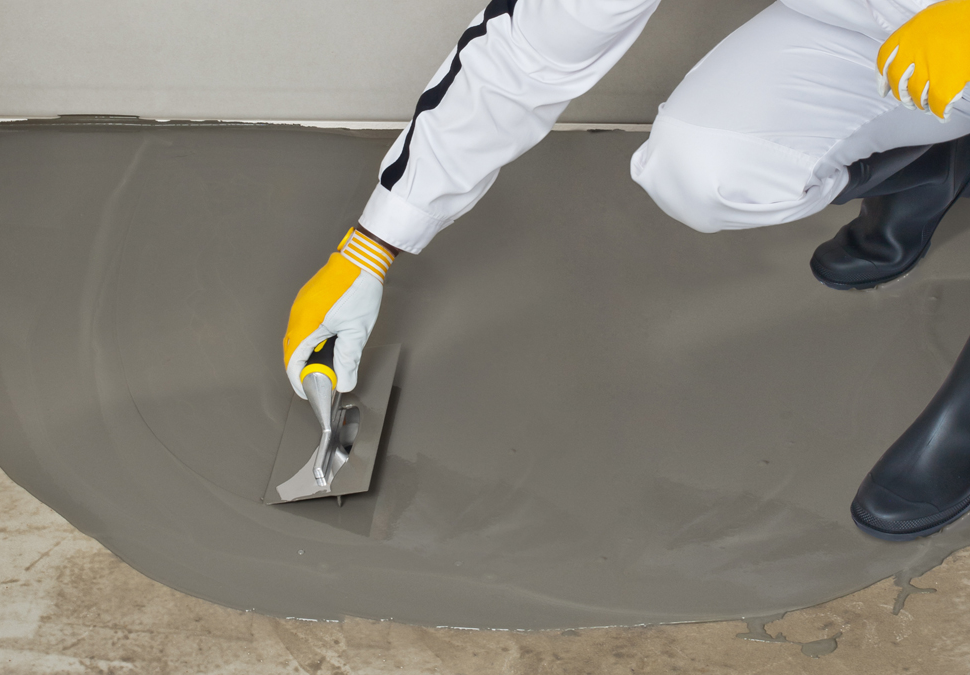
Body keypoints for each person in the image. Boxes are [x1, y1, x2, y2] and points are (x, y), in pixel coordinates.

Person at [283, 0, 970, 541]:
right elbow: (526, 53)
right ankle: (934, 159)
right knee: (702, 172)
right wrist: (372, 245)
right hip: (863, 21)